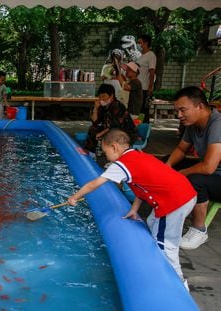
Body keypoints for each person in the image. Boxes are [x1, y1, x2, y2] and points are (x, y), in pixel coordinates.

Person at [68, 129, 197, 287]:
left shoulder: (122, 164)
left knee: (166, 244)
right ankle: (154, 261)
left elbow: (95, 183)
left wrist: (75, 197)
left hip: (173, 203)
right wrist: (134, 209)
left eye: (106, 152)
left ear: (114, 147)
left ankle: (177, 285)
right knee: (151, 222)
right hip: (186, 194)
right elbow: (142, 186)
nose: (106, 156)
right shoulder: (137, 155)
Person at [166, 86, 221, 250]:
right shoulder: (193, 125)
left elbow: (209, 167)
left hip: (217, 176)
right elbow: (181, 149)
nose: (179, 115)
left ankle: (199, 230)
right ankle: (167, 209)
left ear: (201, 107)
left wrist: (181, 174)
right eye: (177, 111)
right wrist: (167, 167)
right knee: (167, 163)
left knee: (195, 179)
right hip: (215, 175)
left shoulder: (217, 125)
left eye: (183, 110)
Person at [84, 83, 136, 157]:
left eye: (104, 96)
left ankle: (109, 157)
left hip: (125, 132)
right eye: (100, 96)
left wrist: (100, 134)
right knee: (92, 129)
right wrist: (95, 108)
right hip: (111, 129)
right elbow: (95, 121)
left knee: (102, 135)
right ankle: (91, 154)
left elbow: (114, 127)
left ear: (111, 96)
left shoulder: (117, 106)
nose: (101, 99)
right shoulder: (103, 106)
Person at [137, 34, 156, 124]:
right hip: (138, 88)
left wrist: (150, 87)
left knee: (143, 111)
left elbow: (152, 72)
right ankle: (139, 128)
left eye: (140, 42)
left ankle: (144, 130)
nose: (139, 45)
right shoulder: (141, 56)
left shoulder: (151, 55)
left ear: (146, 43)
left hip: (144, 88)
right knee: (139, 111)